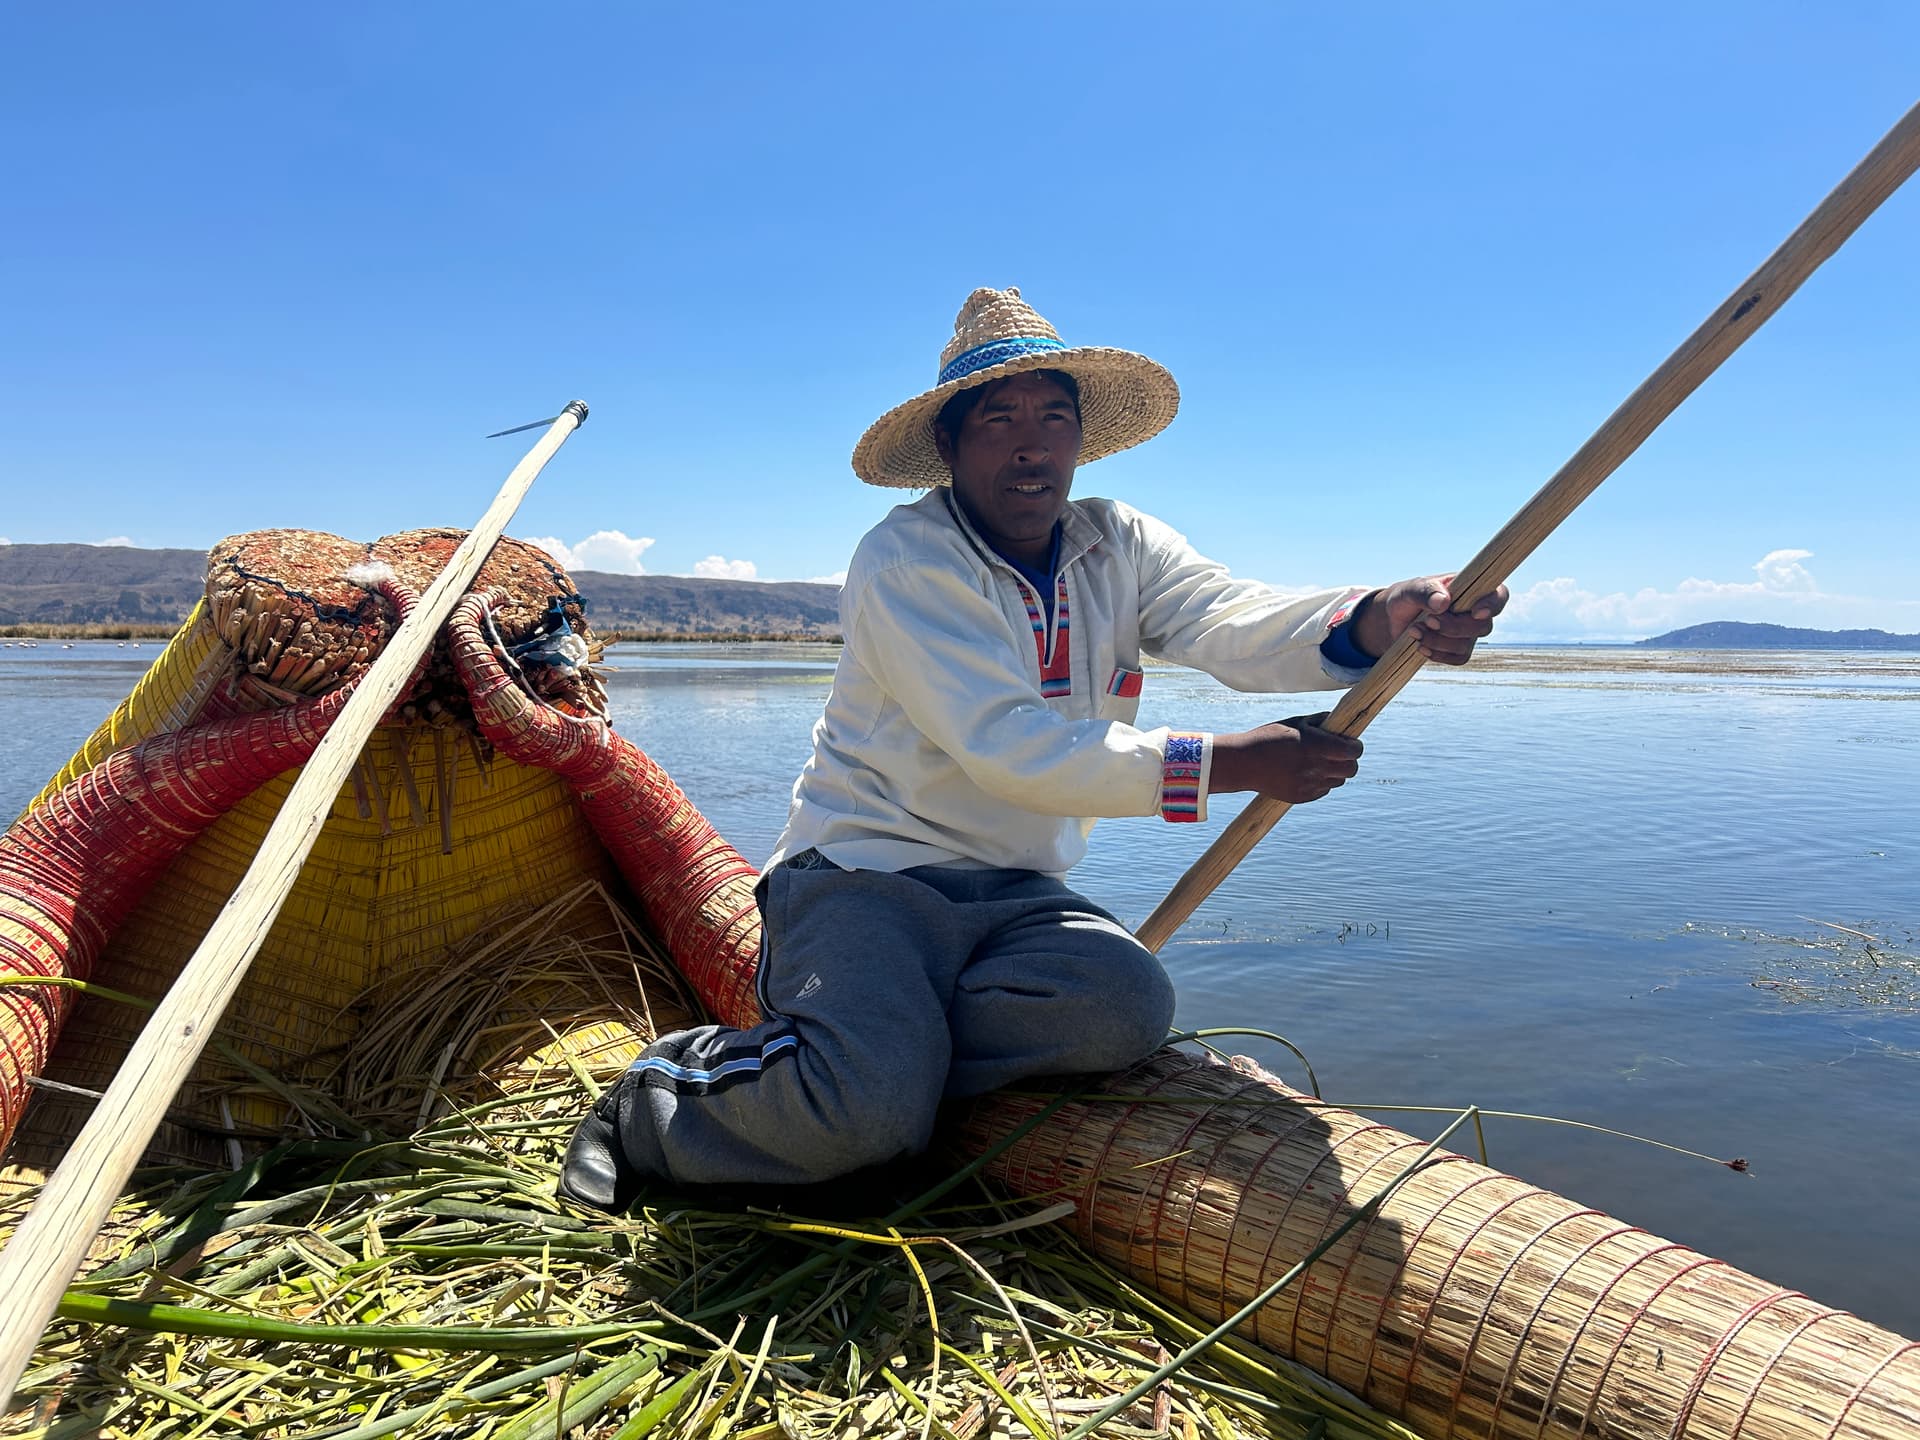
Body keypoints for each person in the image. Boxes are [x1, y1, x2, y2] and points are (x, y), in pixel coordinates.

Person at [561, 287, 1504, 1202]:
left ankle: (878, 1056)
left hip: (1014, 892)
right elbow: (1011, 746)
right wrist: (1233, 764)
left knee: (1125, 1006)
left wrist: (1382, 617)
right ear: (949, 443)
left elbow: (1232, 620)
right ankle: (656, 1100)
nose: (1031, 443)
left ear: (1081, 441)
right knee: (863, 1122)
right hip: (865, 876)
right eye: (999, 418)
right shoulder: (907, 560)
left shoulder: (1118, 543)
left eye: (1055, 418)